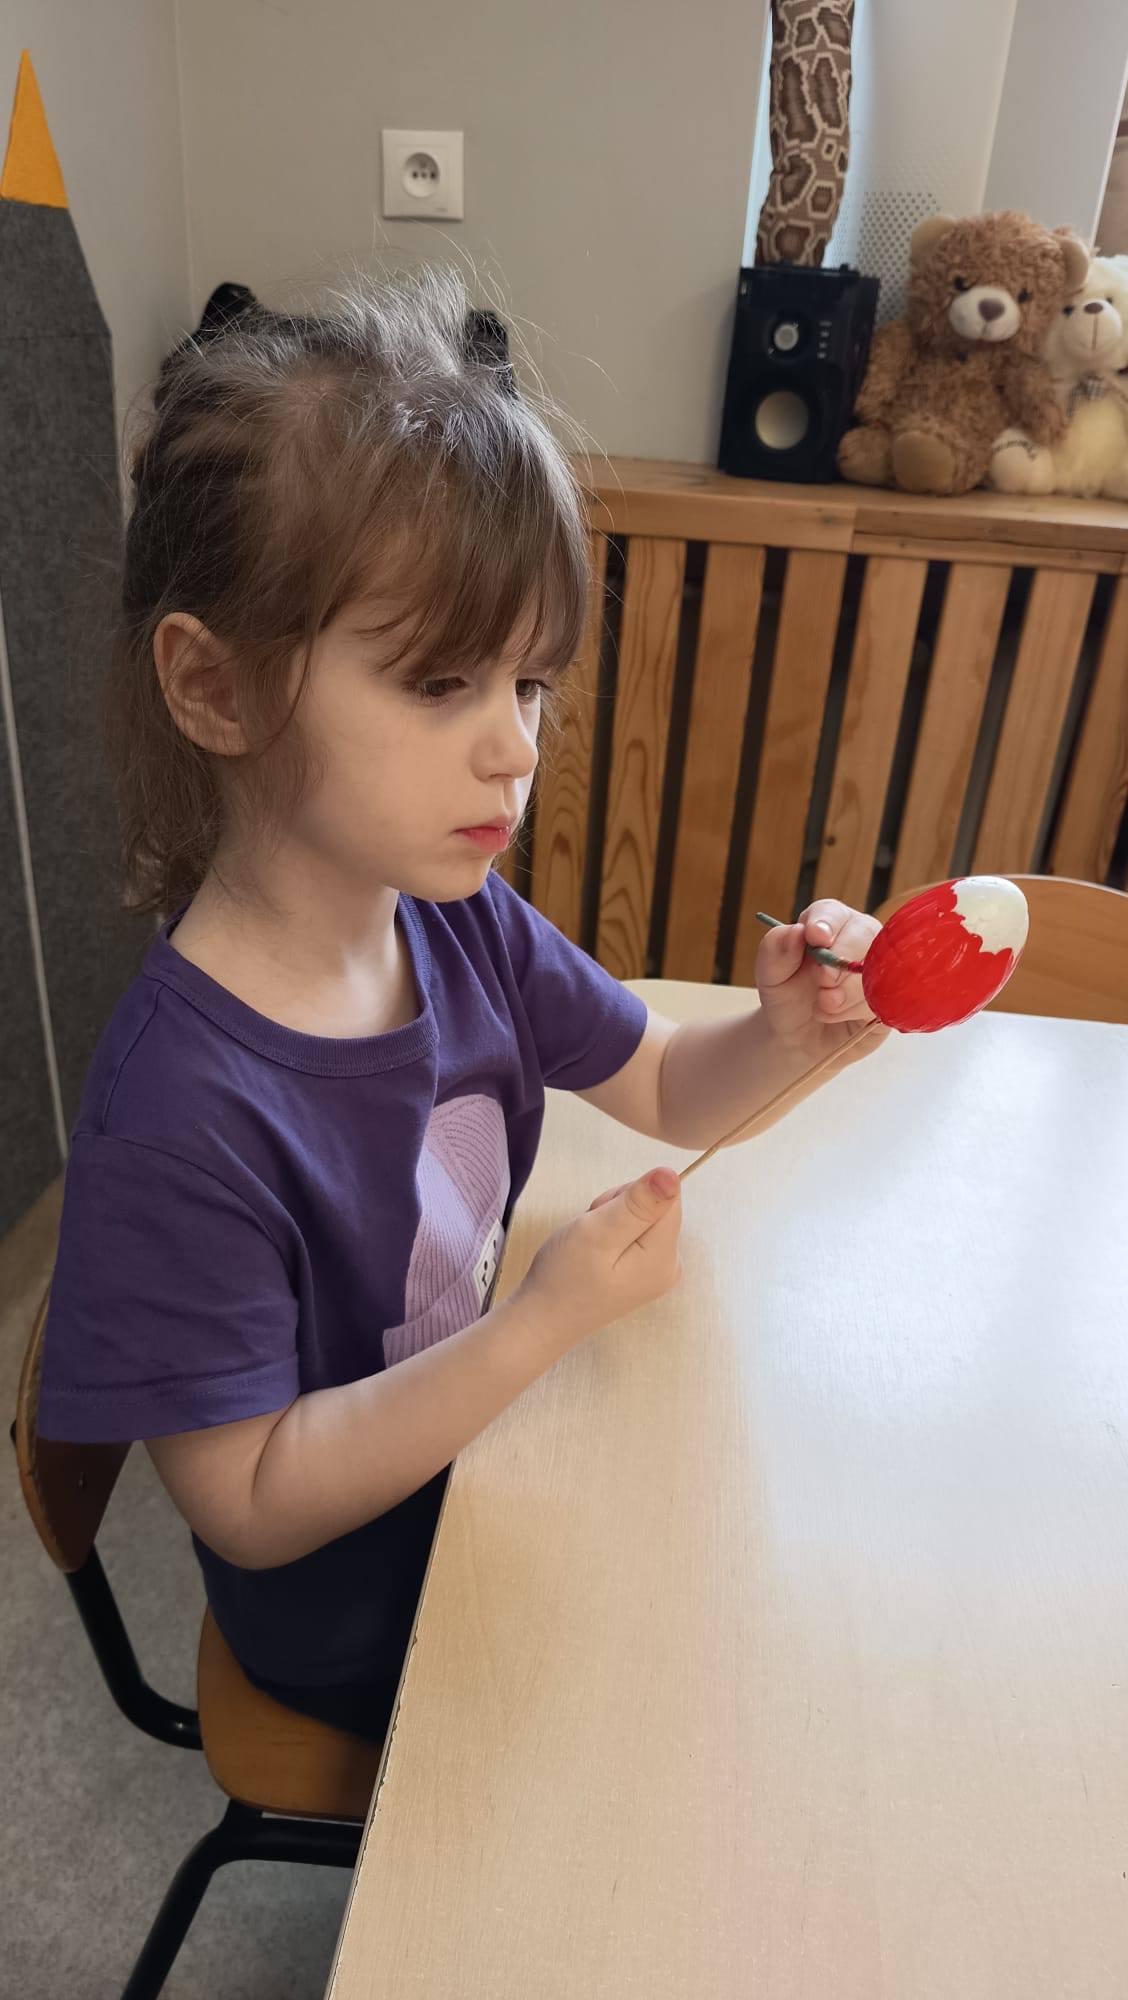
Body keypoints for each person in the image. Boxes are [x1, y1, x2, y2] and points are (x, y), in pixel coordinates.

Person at [38, 267, 883, 1743]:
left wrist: (786, 1035)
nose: (516, 750)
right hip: (362, 1604)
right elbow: (249, 1505)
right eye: (439, 684)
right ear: (216, 690)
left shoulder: (456, 918)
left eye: (529, 684)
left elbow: (666, 1085)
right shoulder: (177, 1116)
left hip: (485, 1453)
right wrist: (537, 1328)